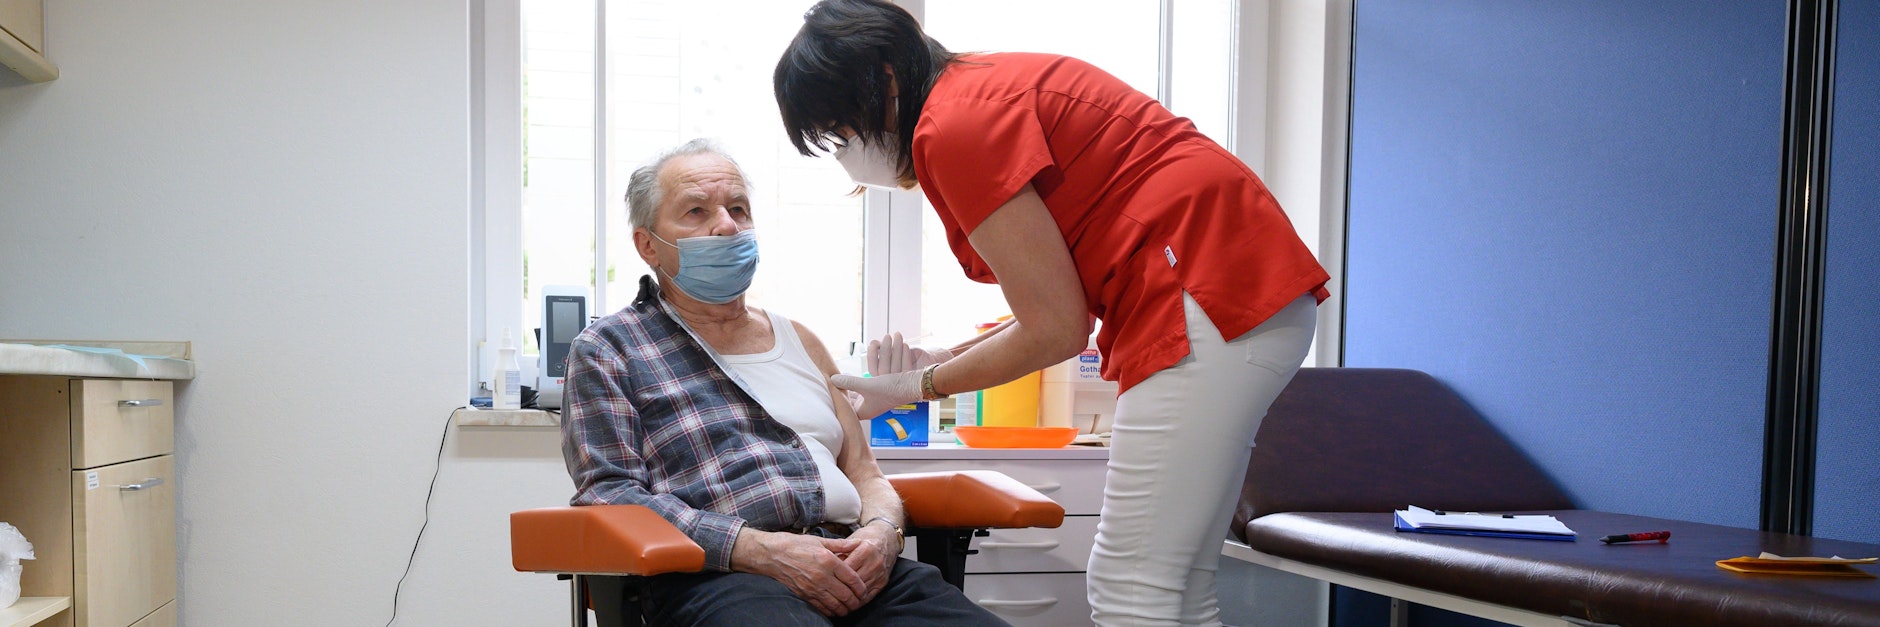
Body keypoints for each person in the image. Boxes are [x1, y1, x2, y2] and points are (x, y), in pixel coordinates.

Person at [773, 2, 1331, 625]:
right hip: (1237, 292)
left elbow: (1057, 330)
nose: (847, 152)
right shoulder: (982, 88)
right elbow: (1058, 305)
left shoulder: (955, 126)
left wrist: (915, 386)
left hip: (1206, 296)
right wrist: (942, 359)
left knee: (1130, 588)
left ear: (885, 82)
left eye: (843, 130)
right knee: (1178, 589)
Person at [561, 138, 1008, 626]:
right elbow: (611, 494)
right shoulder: (609, 348)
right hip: (720, 576)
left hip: (855, 564)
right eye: (696, 211)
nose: (727, 225)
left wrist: (883, 533)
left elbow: (865, 473)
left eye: (738, 209)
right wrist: (759, 549)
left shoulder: (801, 340)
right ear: (648, 245)